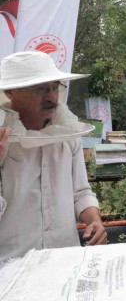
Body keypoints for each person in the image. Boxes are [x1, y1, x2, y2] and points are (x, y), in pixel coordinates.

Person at [0, 51, 106, 261]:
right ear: (11, 91)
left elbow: (80, 191)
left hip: (64, 260)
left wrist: (94, 220)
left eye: (55, 87)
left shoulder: (68, 134)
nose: (51, 96)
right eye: (40, 88)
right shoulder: (3, 138)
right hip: (10, 265)